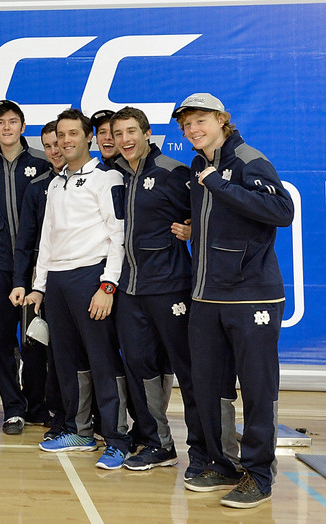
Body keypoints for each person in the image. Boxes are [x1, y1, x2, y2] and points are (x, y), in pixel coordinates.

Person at [174, 93, 293, 509]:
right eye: (186, 125)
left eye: (200, 121)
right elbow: (224, 219)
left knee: (259, 388)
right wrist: (197, 234)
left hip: (252, 295)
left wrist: (220, 184)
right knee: (210, 386)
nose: (192, 130)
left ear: (222, 120)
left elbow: (281, 211)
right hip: (206, 295)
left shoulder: (247, 160)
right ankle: (222, 463)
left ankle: (259, 474)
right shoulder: (198, 165)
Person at [22, 108, 131, 469]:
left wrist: (108, 284)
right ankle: (80, 430)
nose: (66, 141)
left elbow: (118, 236)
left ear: (89, 138)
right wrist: (39, 287)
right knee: (68, 363)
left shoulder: (108, 178)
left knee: (102, 361)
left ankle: (117, 439)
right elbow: (47, 240)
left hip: (92, 278)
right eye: (61, 135)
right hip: (58, 282)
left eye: (73, 134)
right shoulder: (55, 183)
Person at [106, 106, 204, 472]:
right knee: (139, 366)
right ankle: (157, 443)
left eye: (132, 131)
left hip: (171, 286)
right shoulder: (111, 174)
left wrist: (194, 229)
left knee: (189, 370)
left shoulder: (173, 173)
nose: (125, 140)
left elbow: (207, 214)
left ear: (147, 133)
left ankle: (204, 452)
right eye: (118, 134)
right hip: (129, 289)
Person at [0, 100, 52, 435]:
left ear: (23, 126)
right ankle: (13, 408)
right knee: (1, 337)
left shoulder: (41, 162)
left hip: (37, 266)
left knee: (36, 340)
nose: (7, 128)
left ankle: (37, 405)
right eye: (0, 122)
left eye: (13, 122)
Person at [9, 120, 63, 440]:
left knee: (67, 349)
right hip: (36, 282)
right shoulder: (37, 186)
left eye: (58, 143)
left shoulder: (90, 181)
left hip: (75, 279)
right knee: (33, 345)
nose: (54, 150)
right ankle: (35, 408)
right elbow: (25, 240)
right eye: (48, 145)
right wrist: (23, 282)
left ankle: (70, 410)